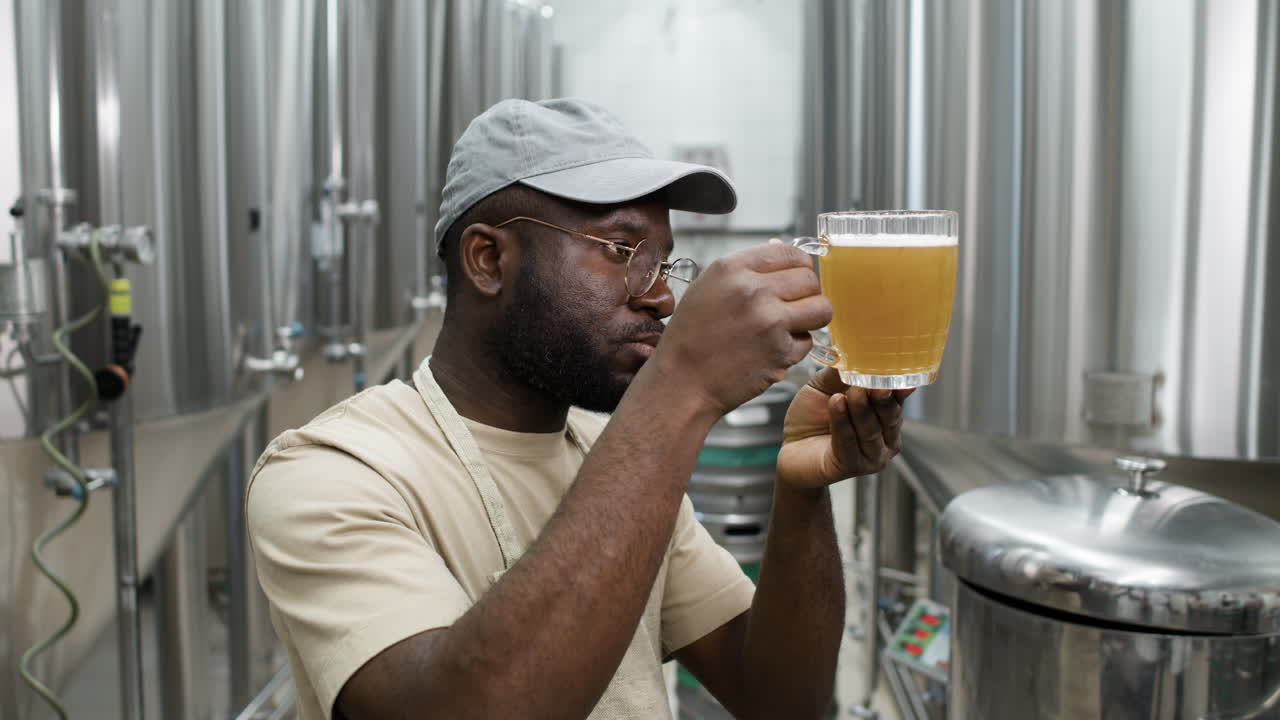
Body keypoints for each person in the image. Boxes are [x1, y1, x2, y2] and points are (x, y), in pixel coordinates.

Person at [246, 98, 911, 720]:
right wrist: (681, 384)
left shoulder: (613, 456)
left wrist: (800, 495)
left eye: (665, 264)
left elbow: (783, 702)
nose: (663, 300)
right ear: (488, 259)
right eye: (624, 251)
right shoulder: (334, 474)